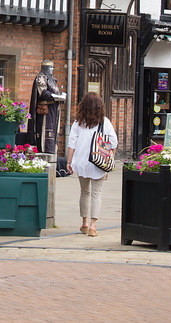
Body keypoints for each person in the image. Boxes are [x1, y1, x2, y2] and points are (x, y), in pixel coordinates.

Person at [65, 92, 118, 238]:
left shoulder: (78, 123)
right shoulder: (104, 122)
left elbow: (72, 144)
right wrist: (109, 160)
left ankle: (84, 223)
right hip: (98, 162)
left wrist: (69, 162)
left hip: (82, 162)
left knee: (84, 193)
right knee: (96, 194)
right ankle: (93, 226)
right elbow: (114, 142)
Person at [28, 59, 66, 154]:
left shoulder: (52, 80)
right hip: (45, 110)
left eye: (53, 67)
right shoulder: (41, 77)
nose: (52, 69)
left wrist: (61, 96)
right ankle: (45, 150)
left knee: (53, 130)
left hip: (54, 109)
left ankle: (51, 149)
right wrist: (56, 96)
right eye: (50, 68)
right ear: (46, 68)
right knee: (45, 130)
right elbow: (43, 93)